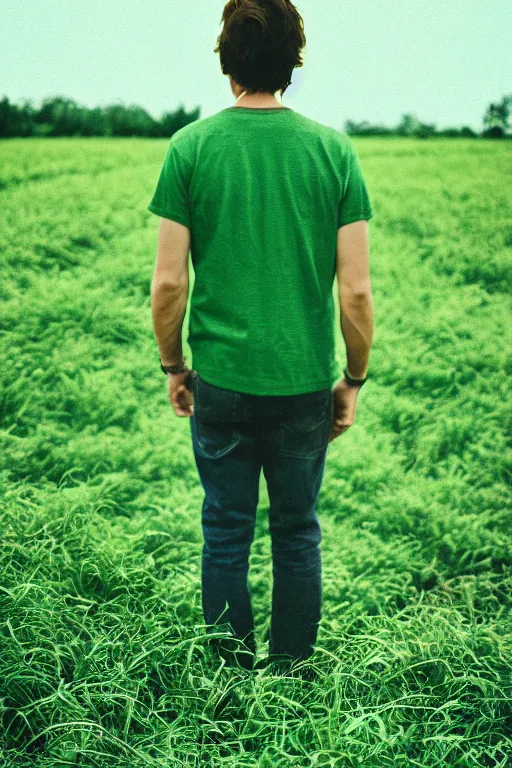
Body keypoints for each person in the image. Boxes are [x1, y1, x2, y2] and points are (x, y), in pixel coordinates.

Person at [148, 0, 374, 674]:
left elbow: (167, 285)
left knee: (225, 531)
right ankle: (294, 675)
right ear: (292, 61)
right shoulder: (333, 151)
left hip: (219, 380)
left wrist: (173, 365)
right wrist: (352, 379)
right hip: (304, 381)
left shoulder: (190, 147)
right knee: (297, 533)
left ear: (227, 60)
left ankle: (227, 679)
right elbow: (356, 292)